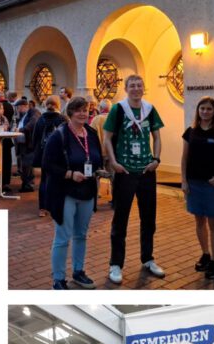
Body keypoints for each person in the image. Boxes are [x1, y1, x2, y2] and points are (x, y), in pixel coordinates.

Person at [104, 74, 166, 284]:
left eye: (139, 85)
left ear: (143, 87)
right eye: (132, 85)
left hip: (147, 171)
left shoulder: (149, 109)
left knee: (149, 219)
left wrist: (156, 159)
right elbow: (107, 137)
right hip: (125, 172)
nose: (136, 88)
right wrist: (113, 162)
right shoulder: (118, 109)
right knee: (120, 220)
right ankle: (115, 264)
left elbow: (157, 136)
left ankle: (148, 259)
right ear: (126, 87)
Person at [41, 96, 103, 290]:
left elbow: (96, 157)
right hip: (65, 191)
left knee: (81, 235)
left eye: (86, 110)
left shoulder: (91, 134)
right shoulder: (59, 135)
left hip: (87, 190)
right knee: (62, 237)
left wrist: (99, 170)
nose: (83, 113)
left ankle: (78, 271)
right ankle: (58, 279)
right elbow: (47, 165)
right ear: (70, 113)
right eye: (78, 110)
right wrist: (69, 174)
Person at [181, 96, 214, 280]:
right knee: (199, 221)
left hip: (212, 184)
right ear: (198, 111)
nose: (205, 112)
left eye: (209, 109)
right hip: (193, 183)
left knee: (213, 224)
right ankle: (205, 254)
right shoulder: (190, 132)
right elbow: (184, 158)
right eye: (202, 108)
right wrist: (184, 180)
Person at [32, 95, 65, 216]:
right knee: (58, 180)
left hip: (43, 155)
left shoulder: (40, 119)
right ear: (58, 105)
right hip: (58, 155)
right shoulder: (62, 119)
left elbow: (34, 138)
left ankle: (42, 208)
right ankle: (55, 206)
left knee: (44, 181)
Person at [12, 96, 40, 192]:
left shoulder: (33, 112)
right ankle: (26, 184)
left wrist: (21, 129)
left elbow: (33, 123)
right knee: (25, 165)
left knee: (27, 164)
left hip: (29, 143)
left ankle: (28, 185)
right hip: (22, 143)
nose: (18, 109)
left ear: (24, 106)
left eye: (18, 107)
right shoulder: (22, 115)